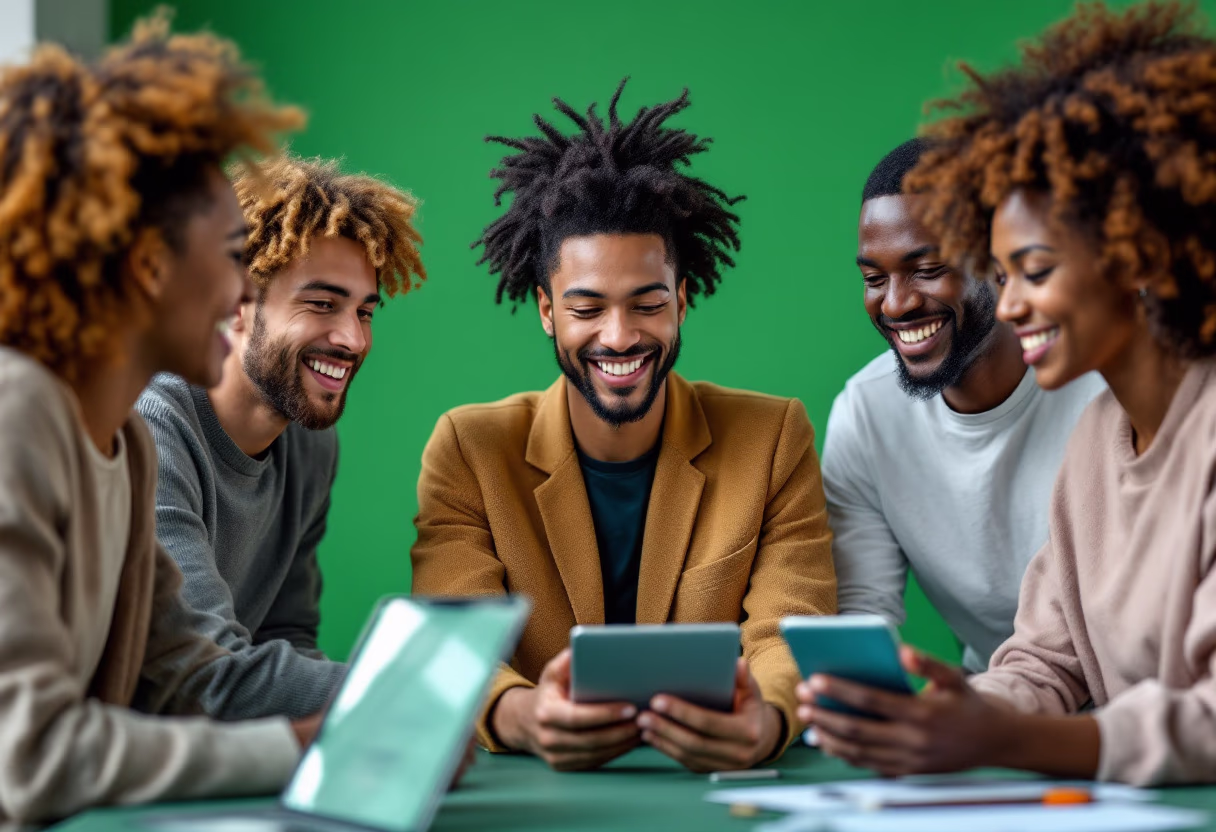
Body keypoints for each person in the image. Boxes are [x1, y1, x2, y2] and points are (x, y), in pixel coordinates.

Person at [798, 0, 1216, 786]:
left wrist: (1005, 742)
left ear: (1136, 257)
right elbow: (1047, 659)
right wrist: (964, 709)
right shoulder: (1100, 437)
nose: (1012, 302)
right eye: (1005, 271)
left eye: (1036, 269)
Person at [411, 81, 836, 773]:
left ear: (683, 300)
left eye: (647, 304)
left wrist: (768, 720)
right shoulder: (470, 450)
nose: (620, 336)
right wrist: (526, 718)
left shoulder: (773, 437)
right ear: (546, 310)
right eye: (587, 309)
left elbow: (792, 630)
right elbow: (454, 651)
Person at [0, 18, 319, 823]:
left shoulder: (126, 445)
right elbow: (28, 755)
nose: (245, 293)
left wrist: (402, 709)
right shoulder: (19, 413)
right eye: (232, 252)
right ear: (149, 265)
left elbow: (182, 677)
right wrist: (299, 747)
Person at [136, 155, 425, 719]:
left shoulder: (310, 445)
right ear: (237, 302)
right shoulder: (154, 430)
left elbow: (286, 636)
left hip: (227, 772)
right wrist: (415, 695)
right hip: (112, 781)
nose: (353, 339)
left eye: (365, 312)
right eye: (321, 304)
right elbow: (209, 673)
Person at [825, 138, 1104, 671]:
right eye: (873, 279)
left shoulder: (1103, 383)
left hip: (1134, 704)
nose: (896, 303)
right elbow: (862, 615)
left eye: (927, 269)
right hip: (996, 702)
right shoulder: (866, 417)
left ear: (1000, 262)